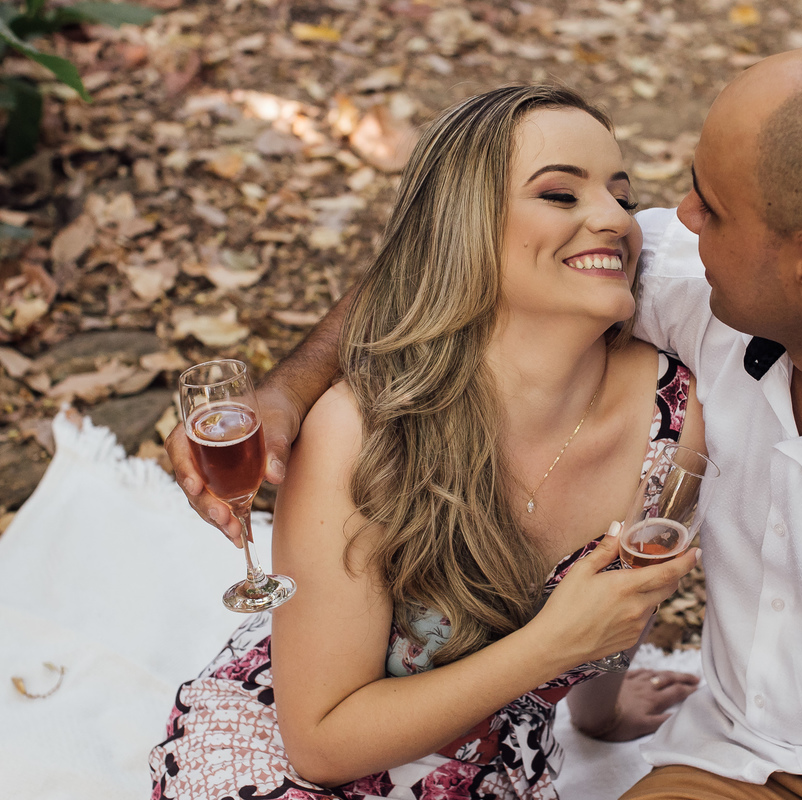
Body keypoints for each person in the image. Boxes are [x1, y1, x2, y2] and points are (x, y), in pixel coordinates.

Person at [168, 46, 802, 800]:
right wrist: (290, 391)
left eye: (703, 206)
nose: (655, 224)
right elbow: (455, 243)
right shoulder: (699, 290)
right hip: (735, 754)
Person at [151, 85, 705, 800]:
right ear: (465, 229)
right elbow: (320, 744)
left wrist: (599, 713)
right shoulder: (364, 428)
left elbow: (629, 598)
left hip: (484, 764)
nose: (615, 220)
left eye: (622, 197)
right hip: (295, 756)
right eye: (561, 195)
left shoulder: (675, 417)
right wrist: (551, 647)